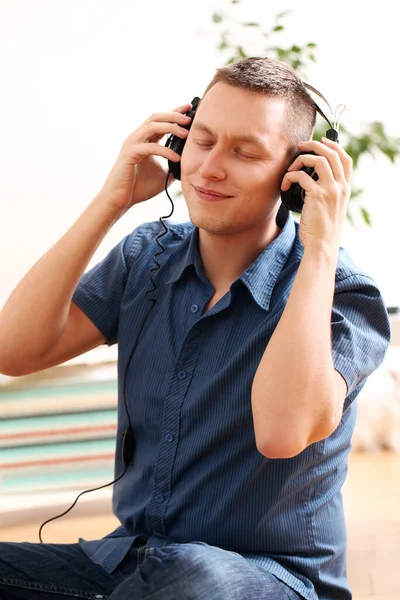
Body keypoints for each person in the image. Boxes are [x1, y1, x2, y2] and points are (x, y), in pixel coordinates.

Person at [0, 57, 391, 600]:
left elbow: (281, 434)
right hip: (136, 562)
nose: (208, 169)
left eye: (245, 152)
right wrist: (111, 201)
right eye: (202, 141)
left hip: (265, 578)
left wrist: (320, 243)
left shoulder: (345, 292)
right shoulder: (146, 257)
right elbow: (13, 351)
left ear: (297, 176)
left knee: (189, 578)